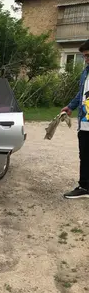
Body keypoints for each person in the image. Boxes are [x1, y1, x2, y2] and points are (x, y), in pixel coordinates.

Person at [61, 39, 89, 199]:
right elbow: (81, 94)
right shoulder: (85, 72)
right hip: (85, 122)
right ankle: (85, 186)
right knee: (85, 155)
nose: (86, 59)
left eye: (88, 56)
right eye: (84, 56)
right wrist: (70, 107)